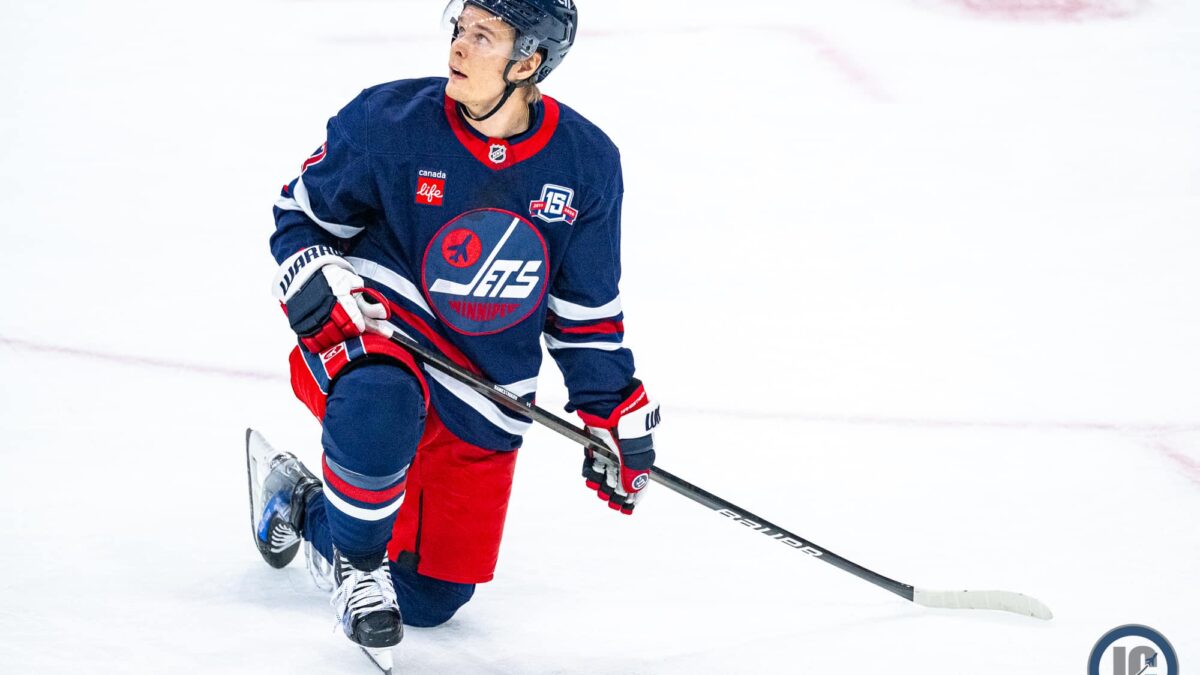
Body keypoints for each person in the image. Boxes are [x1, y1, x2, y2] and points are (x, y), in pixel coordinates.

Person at [245, 0, 662, 663]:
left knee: (429, 597)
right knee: (382, 397)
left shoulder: (585, 163)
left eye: (484, 36)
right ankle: (359, 570)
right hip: (377, 336)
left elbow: (583, 309)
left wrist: (611, 411)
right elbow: (302, 215)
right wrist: (315, 273)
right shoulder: (389, 122)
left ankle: (299, 502)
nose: (459, 47)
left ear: (528, 62)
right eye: (460, 28)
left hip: (483, 390)